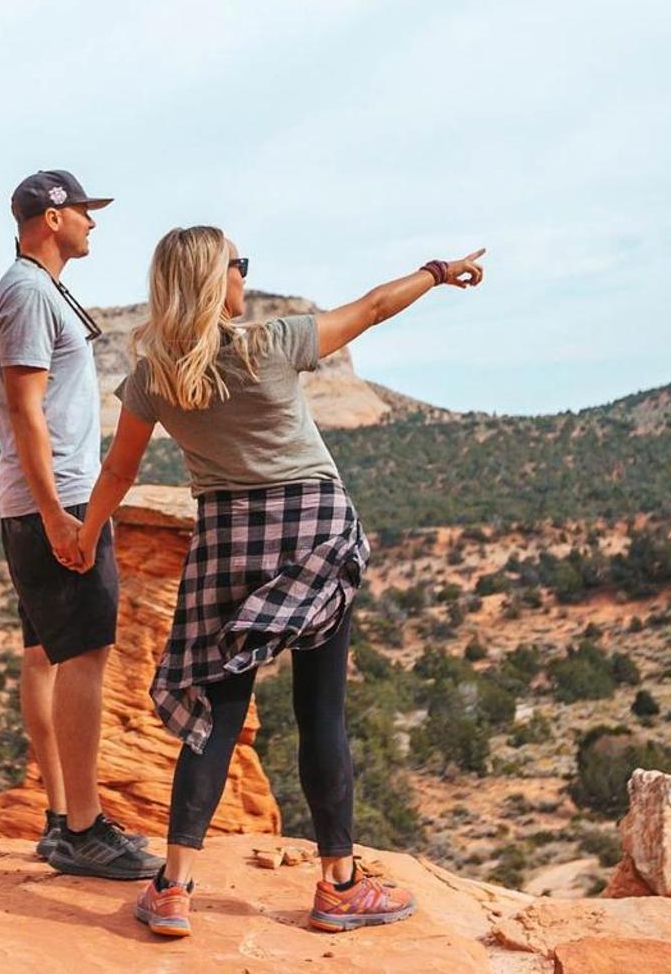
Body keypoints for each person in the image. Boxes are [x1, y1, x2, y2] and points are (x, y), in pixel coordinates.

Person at [70, 226, 485, 936]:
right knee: (321, 711)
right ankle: (338, 887)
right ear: (216, 279)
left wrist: (85, 535)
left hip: (228, 538)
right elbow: (376, 307)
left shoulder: (154, 375)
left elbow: (118, 471)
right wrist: (437, 272)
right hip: (313, 529)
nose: (245, 277)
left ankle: (173, 888)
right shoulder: (270, 342)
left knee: (216, 715)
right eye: (240, 265)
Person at [0, 169, 164, 881]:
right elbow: (25, 409)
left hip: (43, 500)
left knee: (46, 657)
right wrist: (61, 513)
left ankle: (65, 815)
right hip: (53, 500)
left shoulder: (36, 289)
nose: (94, 223)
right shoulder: (29, 291)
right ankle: (83, 830)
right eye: (85, 212)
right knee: (86, 654)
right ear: (52, 217)